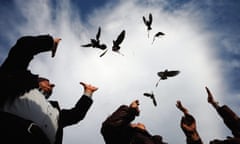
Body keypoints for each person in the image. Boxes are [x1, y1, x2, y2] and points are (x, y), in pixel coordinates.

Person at [2, 78, 98, 144]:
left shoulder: (55, 109)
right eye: (47, 81)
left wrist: (88, 93)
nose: (52, 85)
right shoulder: (20, 88)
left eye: (51, 85)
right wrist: (31, 81)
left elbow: (76, 114)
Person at [0, 34, 61, 107]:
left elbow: (74, 114)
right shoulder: (12, 84)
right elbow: (24, 45)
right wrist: (51, 43)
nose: (52, 85)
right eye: (46, 81)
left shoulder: (53, 111)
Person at [101, 99, 167, 144]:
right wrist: (130, 111)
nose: (138, 123)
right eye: (134, 124)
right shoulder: (121, 138)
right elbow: (109, 126)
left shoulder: (153, 141)